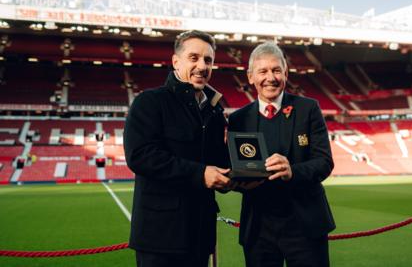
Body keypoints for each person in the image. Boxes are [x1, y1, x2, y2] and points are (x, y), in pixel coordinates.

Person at [124, 30, 231, 267]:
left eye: (208, 60)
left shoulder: (214, 111)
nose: (202, 66)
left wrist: (239, 174)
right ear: (176, 61)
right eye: (194, 58)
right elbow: (140, 155)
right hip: (160, 239)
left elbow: (218, 163)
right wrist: (201, 174)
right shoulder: (150, 102)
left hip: (200, 236)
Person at [228, 41, 336, 267]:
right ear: (250, 77)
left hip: (305, 225)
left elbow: (324, 162)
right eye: (263, 71)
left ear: (285, 73)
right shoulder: (238, 119)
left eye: (277, 70)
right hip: (259, 227)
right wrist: (237, 181)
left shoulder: (308, 109)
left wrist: (292, 172)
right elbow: (238, 168)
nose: (271, 77)